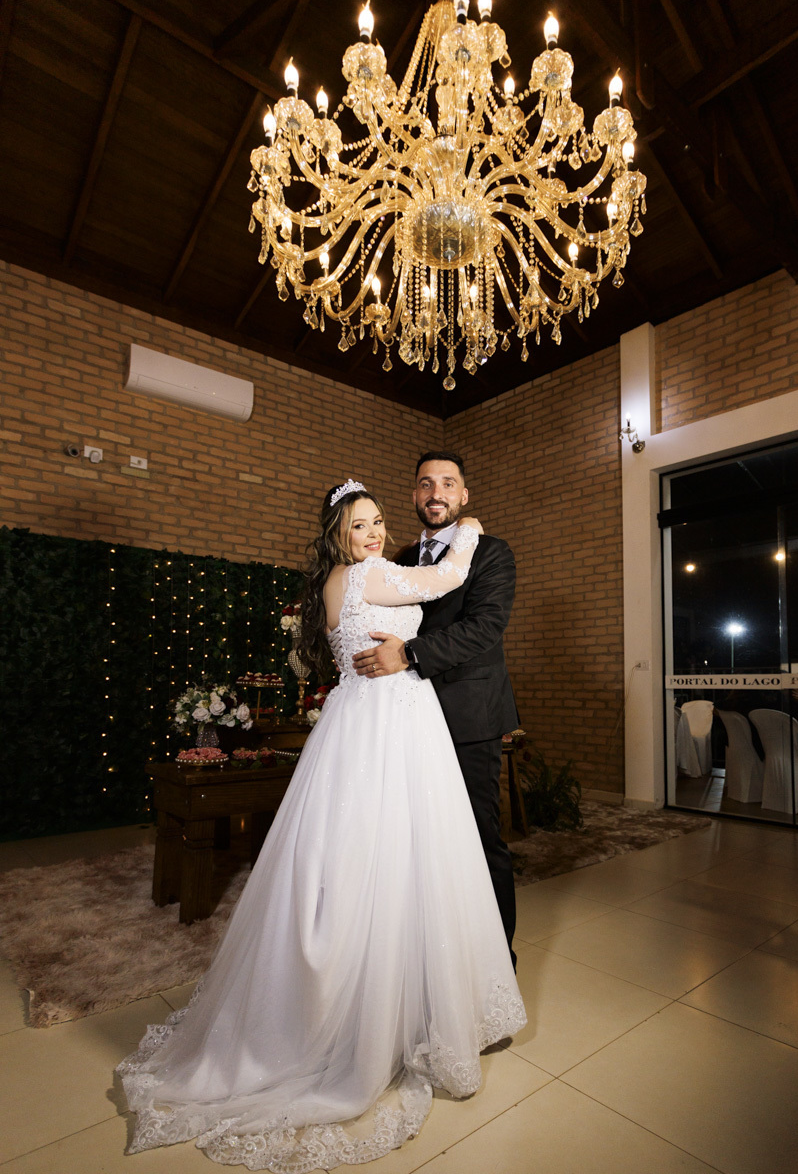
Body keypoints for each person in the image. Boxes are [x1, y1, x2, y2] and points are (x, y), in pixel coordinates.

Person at [117, 480, 525, 1172]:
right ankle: (375, 1017)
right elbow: (450, 577)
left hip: (360, 722)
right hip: (391, 724)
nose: (374, 532)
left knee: (355, 860)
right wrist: (471, 530)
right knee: (398, 857)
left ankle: (379, 1000)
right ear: (340, 534)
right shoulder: (370, 574)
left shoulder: (335, 584)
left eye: (378, 521)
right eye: (360, 524)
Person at [352, 452, 519, 963]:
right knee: (416, 844)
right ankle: (431, 960)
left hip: (469, 716)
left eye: (448, 483)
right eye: (426, 484)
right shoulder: (397, 558)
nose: (436, 493)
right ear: (414, 495)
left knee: (477, 839)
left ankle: (497, 966)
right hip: (404, 718)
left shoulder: (491, 552)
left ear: (463, 495)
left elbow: (485, 627)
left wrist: (407, 654)